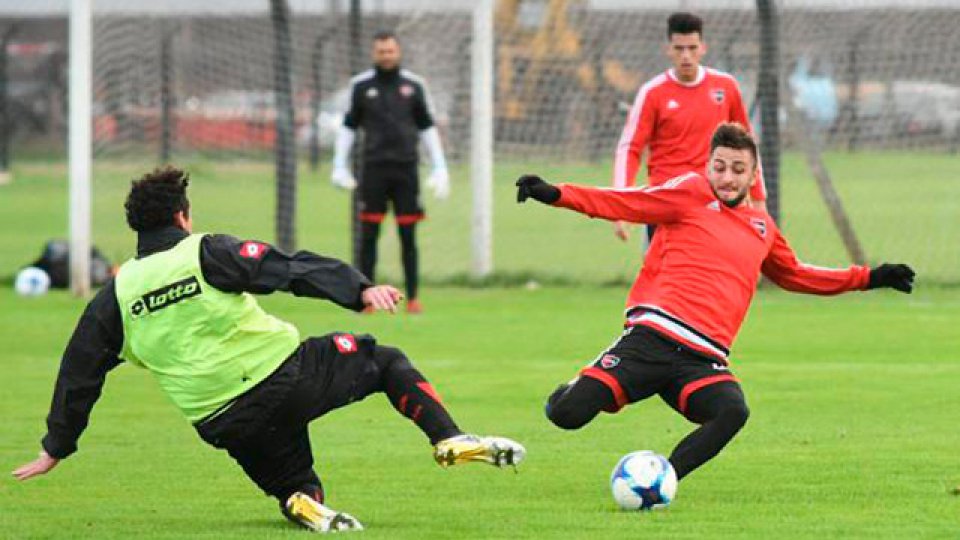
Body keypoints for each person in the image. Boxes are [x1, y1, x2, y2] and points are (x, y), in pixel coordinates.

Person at [12, 167, 524, 532]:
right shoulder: (204, 251)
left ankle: (301, 503)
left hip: (221, 421)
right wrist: (359, 290)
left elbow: (78, 371)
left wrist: (57, 445)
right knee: (383, 361)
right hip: (284, 378)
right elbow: (290, 269)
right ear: (182, 216)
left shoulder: (114, 297)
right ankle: (448, 438)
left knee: (296, 485)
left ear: (138, 229)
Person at [516, 122, 913, 486]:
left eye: (738, 169)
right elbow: (626, 202)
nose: (727, 177)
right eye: (719, 167)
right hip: (651, 339)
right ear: (708, 166)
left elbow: (795, 274)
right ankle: (572, 390)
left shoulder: (762, 228)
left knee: (732, 411)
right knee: (567, 416)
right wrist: (555, 194)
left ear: (753, 176)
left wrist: (869, 278)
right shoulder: (689, 192)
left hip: (701, 360)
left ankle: (662, 481)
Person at [612, 12, 766, 243]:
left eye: (692, 48)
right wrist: (620, 204)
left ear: (703, 48)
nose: (686, 56)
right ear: (668, 49)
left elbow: (747, 146)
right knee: (665, 264)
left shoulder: (725, 86)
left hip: (713, 200)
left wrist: (758, 197)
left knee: (718, 262)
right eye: (679, 48)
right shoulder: (652, 93)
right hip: (667, 202)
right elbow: (630, 149)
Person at [331, 30, 449, 314]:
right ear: (374, 53)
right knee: (368, 236)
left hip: (406, 171)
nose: (386, 56)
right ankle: (366, 299)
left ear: (398, 52)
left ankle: (414, 298)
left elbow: (427, 127)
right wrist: (338, 165)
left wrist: (440, 166)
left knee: (408, 236)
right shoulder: (360, 86)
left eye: (390, 51)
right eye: (381, 51)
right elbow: (348, 127)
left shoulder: (414, 86)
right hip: (373, 171)